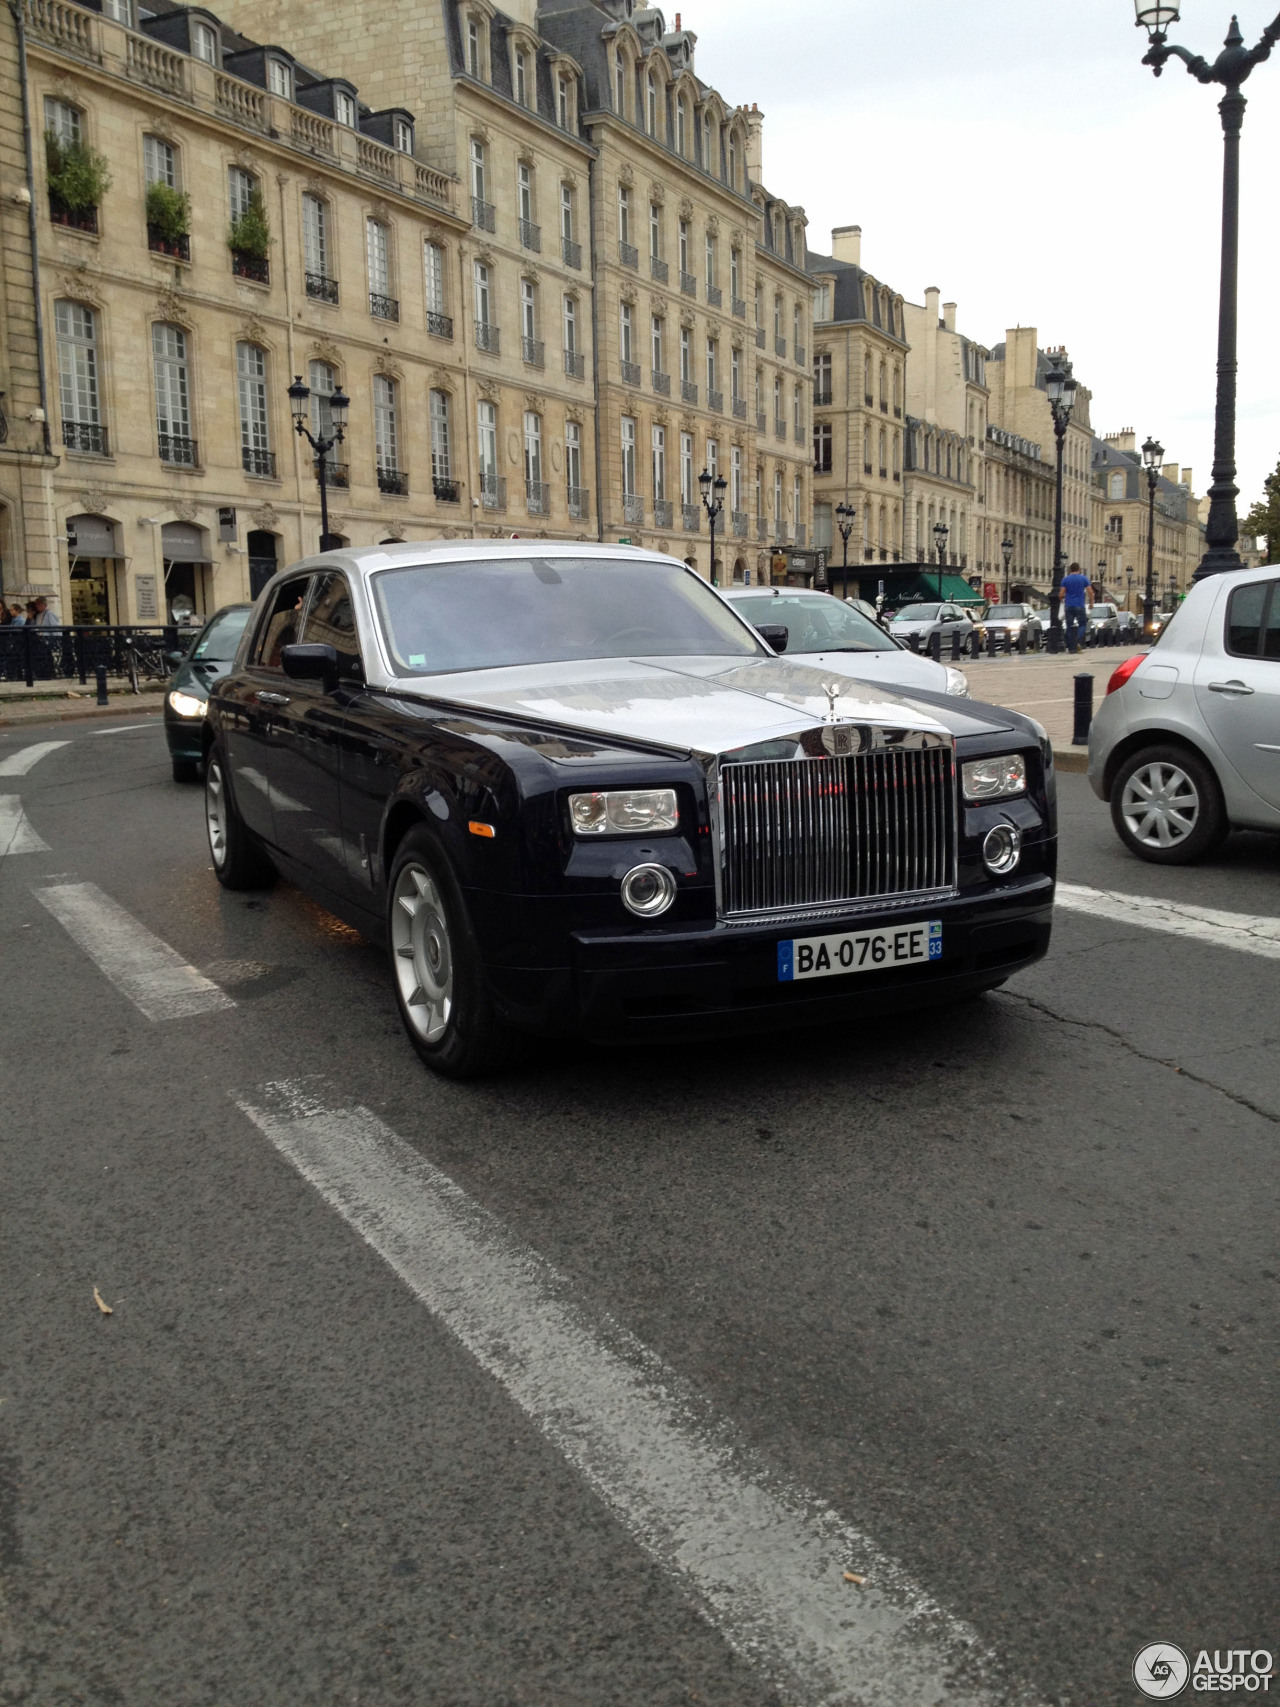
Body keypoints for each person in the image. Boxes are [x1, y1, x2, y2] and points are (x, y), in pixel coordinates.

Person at [1060, 561, 1092, 655]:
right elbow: (1090, 592)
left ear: (1070, 570)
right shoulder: (1083, 579)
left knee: (1069, 627)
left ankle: (1071, 646)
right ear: (1079, 570)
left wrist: (1062, 599)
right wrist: (1091, 603)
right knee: (1082, 624)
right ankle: (1076, 640)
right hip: (1079, 605)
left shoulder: (1065, 580)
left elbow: (1061, 594)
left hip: (1069, 605)